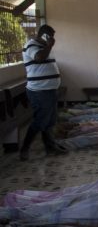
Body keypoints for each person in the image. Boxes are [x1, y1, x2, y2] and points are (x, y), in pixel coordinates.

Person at [19, 24, 67, 161]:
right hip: (39, 91)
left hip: (49, 90)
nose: (53, 39)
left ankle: (50, 147)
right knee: (40, 120)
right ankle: (25, 148)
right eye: (50, 36)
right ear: (44, 36)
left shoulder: (44, 47)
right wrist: (49, 45)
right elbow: (39, 57)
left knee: (50, 120)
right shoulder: (31, 45)